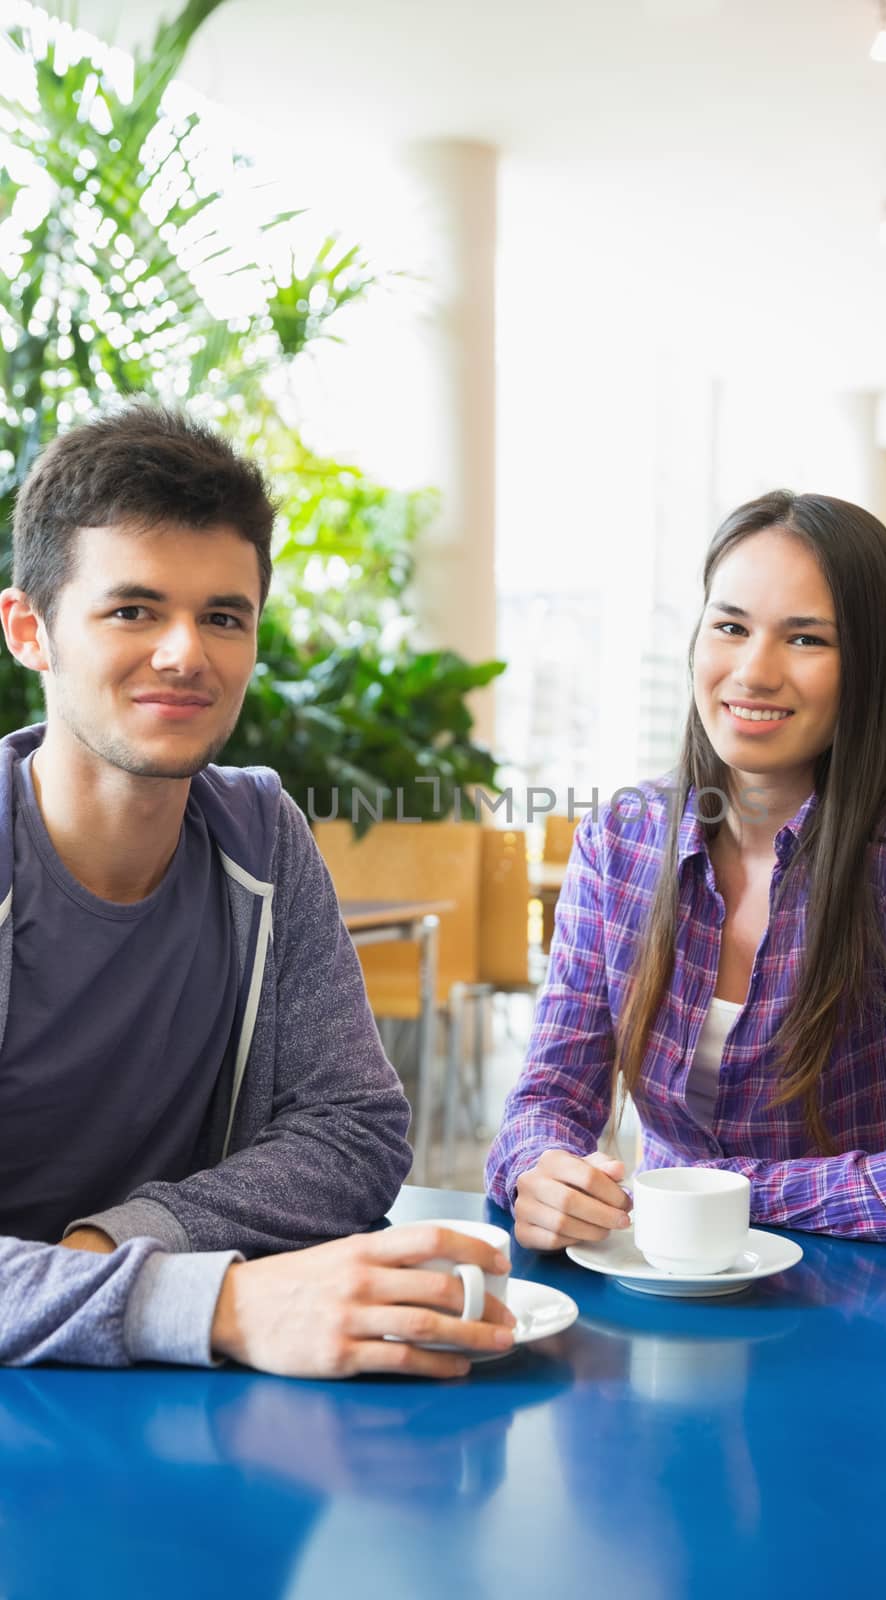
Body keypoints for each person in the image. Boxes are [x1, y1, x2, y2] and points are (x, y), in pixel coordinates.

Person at [0, 404, 513, 1377]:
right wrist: (216, 1301)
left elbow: (354, 1131)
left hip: (184, 1405)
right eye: (133, 609)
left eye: (223, 616)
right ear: (30, 630)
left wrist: (108, 1251)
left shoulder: (262, 836)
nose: (186, 652)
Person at [487, 490, 886, 1253]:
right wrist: (538, 1170)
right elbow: (546, 1099)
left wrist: (713, 1193)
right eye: (730, 627)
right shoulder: (621, 839)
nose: (753, 670)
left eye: (805, 640)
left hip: (849, 1296)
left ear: (867, 667)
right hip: (659, 1270)